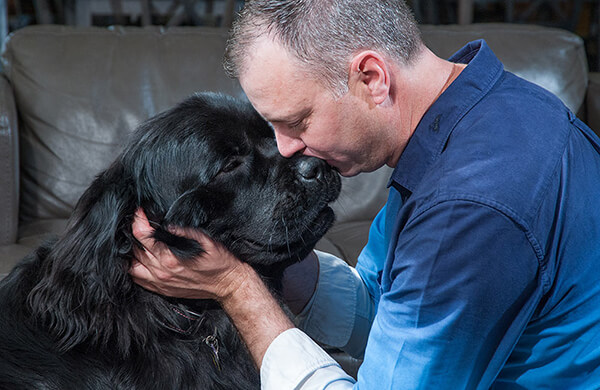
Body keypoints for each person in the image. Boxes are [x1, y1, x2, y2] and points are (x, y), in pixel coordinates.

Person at [129, 0, 600, 388]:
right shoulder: (482, 113)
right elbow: (388, 308)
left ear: (372, 78)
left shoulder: (467, 205)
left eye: (296, 122)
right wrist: (282, 265)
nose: (288, 148)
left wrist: (238, 290)